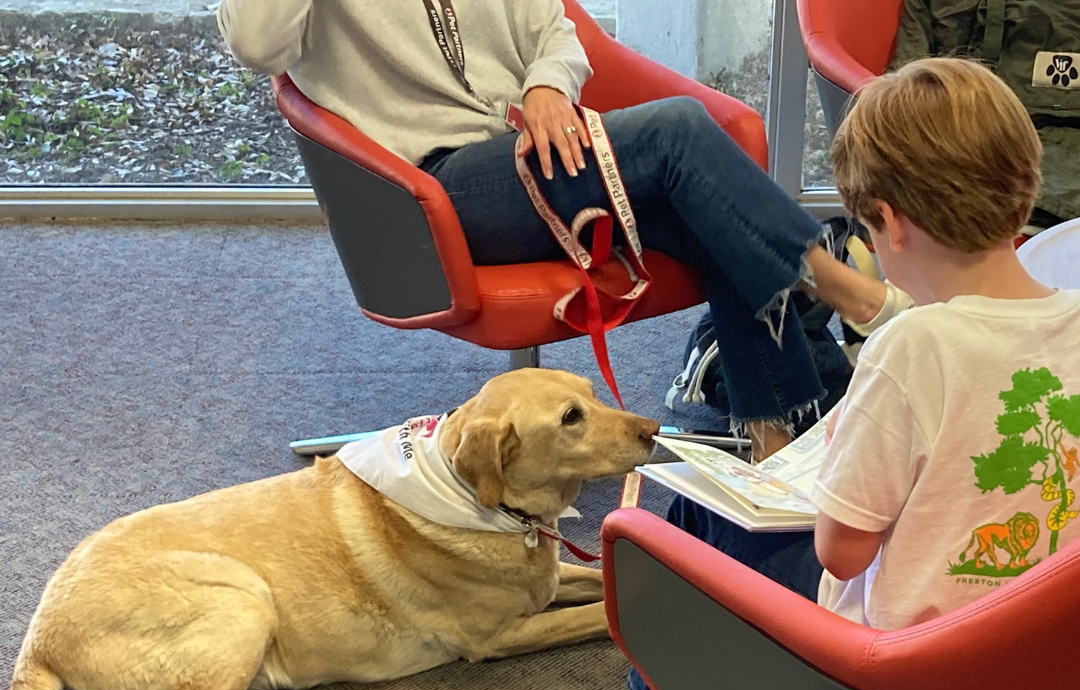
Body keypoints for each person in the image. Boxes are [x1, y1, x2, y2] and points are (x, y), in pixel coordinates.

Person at [598, 57, 1080, 690]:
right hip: (1046, 683)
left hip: (904, 684)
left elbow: (844, 552)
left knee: (693, 516)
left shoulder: (917, 346)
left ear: (889, 223)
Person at [216, 0, 901, 462]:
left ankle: (772, 448)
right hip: (429, 191)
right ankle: (851, 293)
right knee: (678, 129)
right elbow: (256, 43)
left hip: (532, 159)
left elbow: (558, 30)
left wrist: (548, 86)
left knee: (713, 215)